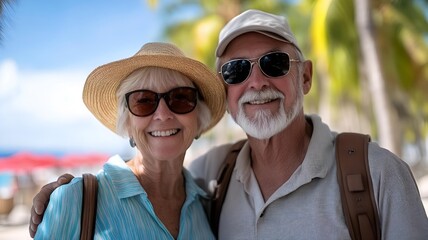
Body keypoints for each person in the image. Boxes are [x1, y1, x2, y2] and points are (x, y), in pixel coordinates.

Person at [30, 9, 428, 239]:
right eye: (237, 71)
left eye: (273, 64)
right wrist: (64, 197)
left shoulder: (378, 175)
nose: (256, 82)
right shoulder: (213, 178)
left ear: (304, 77)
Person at [31, 42, 226, 239]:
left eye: (181, 98)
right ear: (127, 122)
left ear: (199, 117)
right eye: (144, 101)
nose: (163, 114)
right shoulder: (73, 201)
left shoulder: (206, 204)